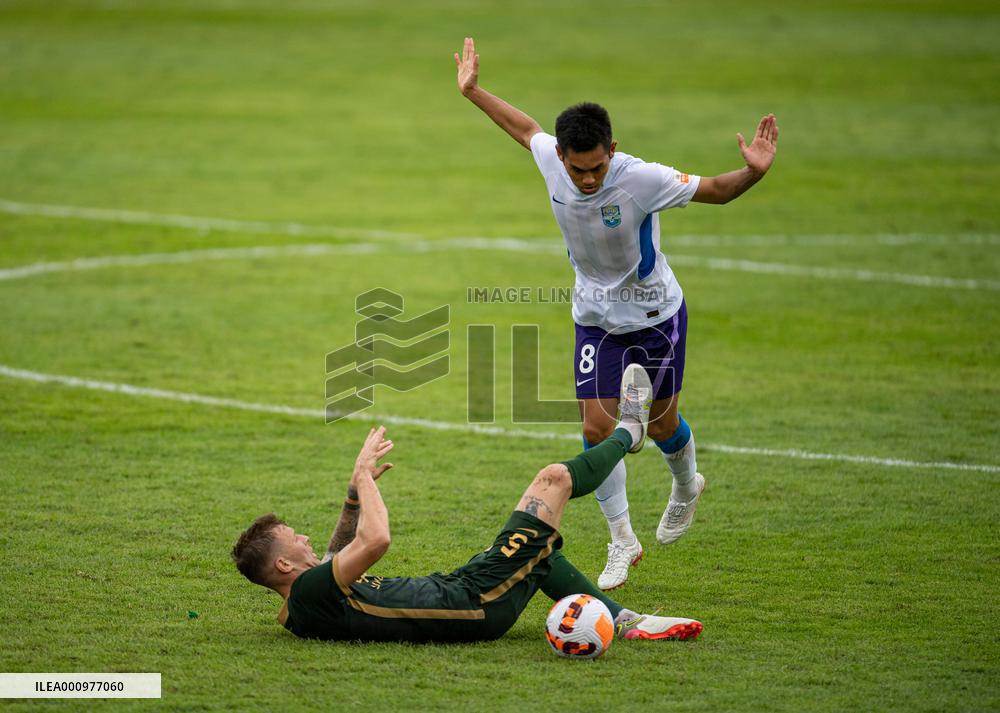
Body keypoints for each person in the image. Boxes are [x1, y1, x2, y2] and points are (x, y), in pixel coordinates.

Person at [454, 37, 779, 590]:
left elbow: (717, 191)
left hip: (655, 317)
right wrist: (473, 92)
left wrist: (754, 172)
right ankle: (623, 539)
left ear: (613, 150)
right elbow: (523, 127)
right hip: (594, 318)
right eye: (578, 168)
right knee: (595, 427)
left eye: (597, 167)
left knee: (662, 423)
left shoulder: (641, 178)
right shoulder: (551, 160)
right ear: (562, 156)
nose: (588, 179)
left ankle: (686, 486)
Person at [232, 365, 702, 644]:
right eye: (295, 539)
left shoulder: (303, 606)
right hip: (474, 602)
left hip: (464, 590)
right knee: (553, 480)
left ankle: (625, 621)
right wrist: (361, 477)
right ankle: (630, 431)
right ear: (283, 564)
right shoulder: (309, 594)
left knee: (541, 555)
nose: (305, 537)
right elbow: (375, 541)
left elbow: (337, 552)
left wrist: (355, 496)